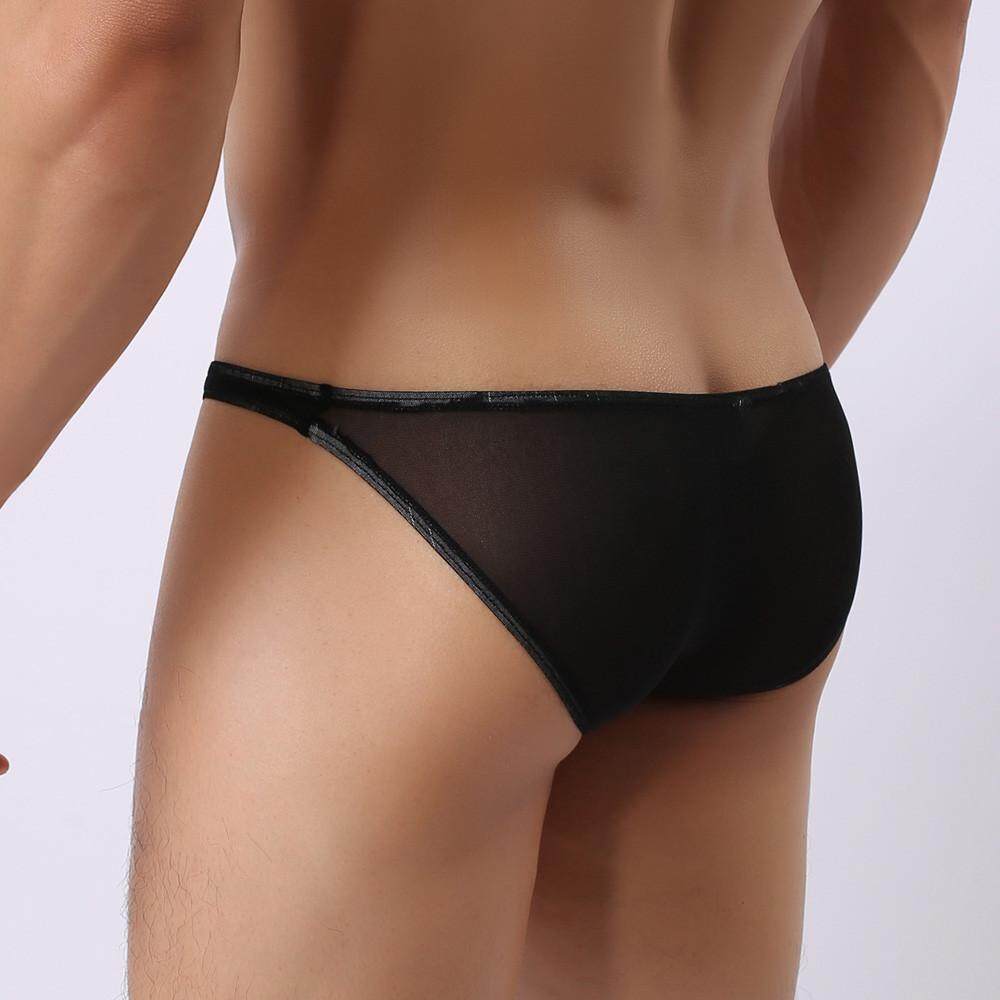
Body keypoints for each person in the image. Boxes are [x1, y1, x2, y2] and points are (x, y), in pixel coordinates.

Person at [0, 2, 971, 997]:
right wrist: (670, 459)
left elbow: (121, 44)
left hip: (402, 460)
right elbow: (915, 24)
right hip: (763, 439)